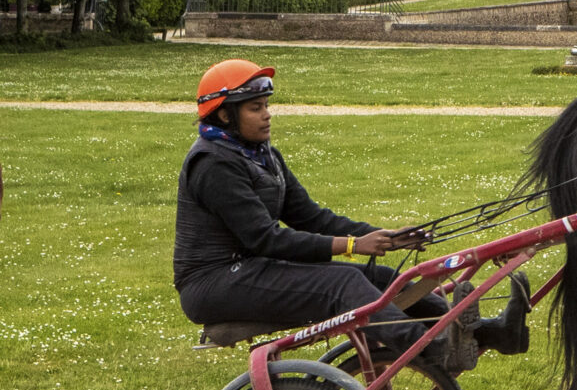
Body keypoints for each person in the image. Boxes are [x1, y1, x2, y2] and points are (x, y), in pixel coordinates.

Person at [173, 59, 527, 355]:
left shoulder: (263, 156)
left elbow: (310, 217)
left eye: (267, 105)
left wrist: (381, 237)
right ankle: (434, 350)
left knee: (383, 278)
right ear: (224, 116)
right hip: (214, 283)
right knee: (341, 283)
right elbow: (266, 240)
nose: (267, 115)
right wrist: (355, 246)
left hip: (251, 269)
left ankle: (485, 335)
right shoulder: (212, 164)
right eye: (256, 108)